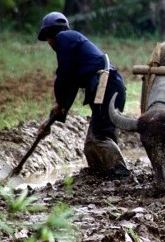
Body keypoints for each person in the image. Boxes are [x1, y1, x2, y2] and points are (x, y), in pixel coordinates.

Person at [37, 11, 130, 179]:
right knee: (90, 144)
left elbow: (64, 77)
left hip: (107, 87)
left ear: (50, 34)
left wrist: (60, 104)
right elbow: (70, 82)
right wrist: (59, 109)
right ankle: (100, 175)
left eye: (47, 40)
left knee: (99, 136)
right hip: (109, 87)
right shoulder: (71, 43)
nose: (49, 44)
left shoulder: (63, 38)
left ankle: (120, 174)